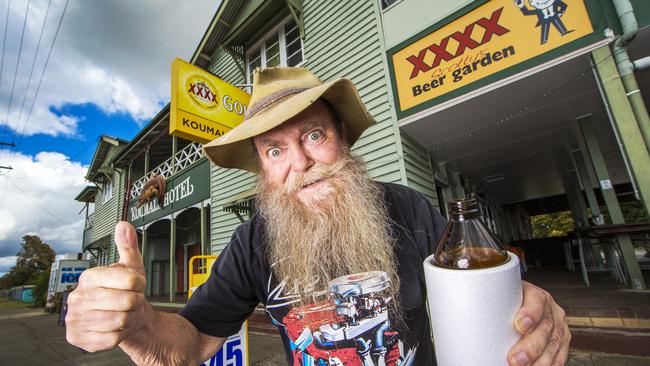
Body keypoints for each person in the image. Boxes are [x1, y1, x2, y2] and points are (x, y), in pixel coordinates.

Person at [65, 67, 571, 365]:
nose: (300, 166)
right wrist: (140, 327)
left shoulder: (408, 208)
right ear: (262, 168)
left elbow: (477, 290)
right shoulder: (252, 242)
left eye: (313, 136)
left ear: (342, 140)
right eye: (274, 150)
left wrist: (524, 313)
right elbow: (195, 339)